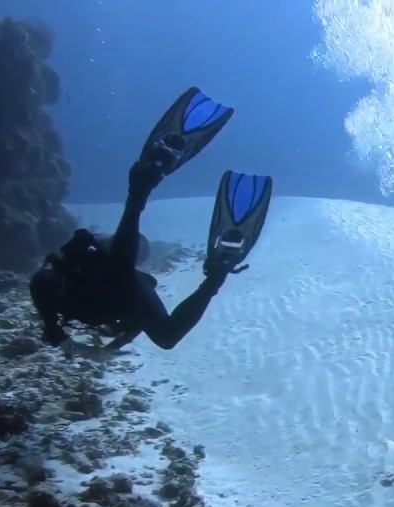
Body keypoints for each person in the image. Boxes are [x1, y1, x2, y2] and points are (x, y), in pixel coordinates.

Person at [28, 87, 274, 358]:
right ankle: (215, 272)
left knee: (122, 269)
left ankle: (144, 188)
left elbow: (44, 284)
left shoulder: (73, 284)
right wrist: (90, 346)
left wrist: (62, 336)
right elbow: (48, 286)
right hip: (114, 285)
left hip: (111, 281)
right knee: (158, 324)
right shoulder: (110, 286)